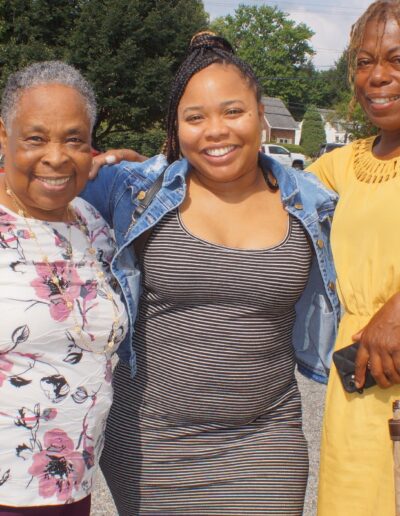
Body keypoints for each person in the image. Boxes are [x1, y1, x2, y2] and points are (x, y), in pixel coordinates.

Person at [82, 32, 340, 515]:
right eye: (195, 118)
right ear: (175, 127)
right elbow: (30, 189)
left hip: (267, 439)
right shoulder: (133, 189)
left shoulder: (313, 201)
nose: (215, 130)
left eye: (233, 112)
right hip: (150, 440)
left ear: (261, 114)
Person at [0, 62, 129, 515]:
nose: (56, 156)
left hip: (70, 489)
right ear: (3, 136)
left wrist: (136, 173)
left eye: (73, 139)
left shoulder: (91, 224)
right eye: (36, 138)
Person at [307, 1, 400, 514]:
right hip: (362, 386)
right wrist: (141, 174)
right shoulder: (341, 165)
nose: (378, 76)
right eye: (365, 62)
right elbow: (249, 191)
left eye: (395, 58)